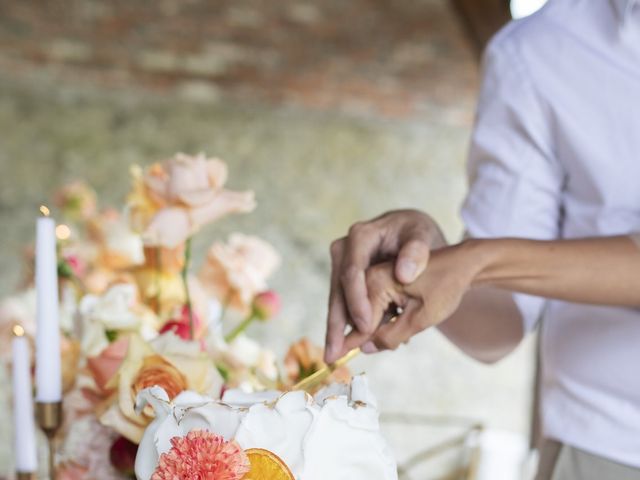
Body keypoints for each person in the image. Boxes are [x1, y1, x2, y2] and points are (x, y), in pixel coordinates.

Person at [324, 0, 640, 478]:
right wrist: (432, 260)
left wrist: (477, 260)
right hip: (603, 446)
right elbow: (498, 322)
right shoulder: (537, 54)